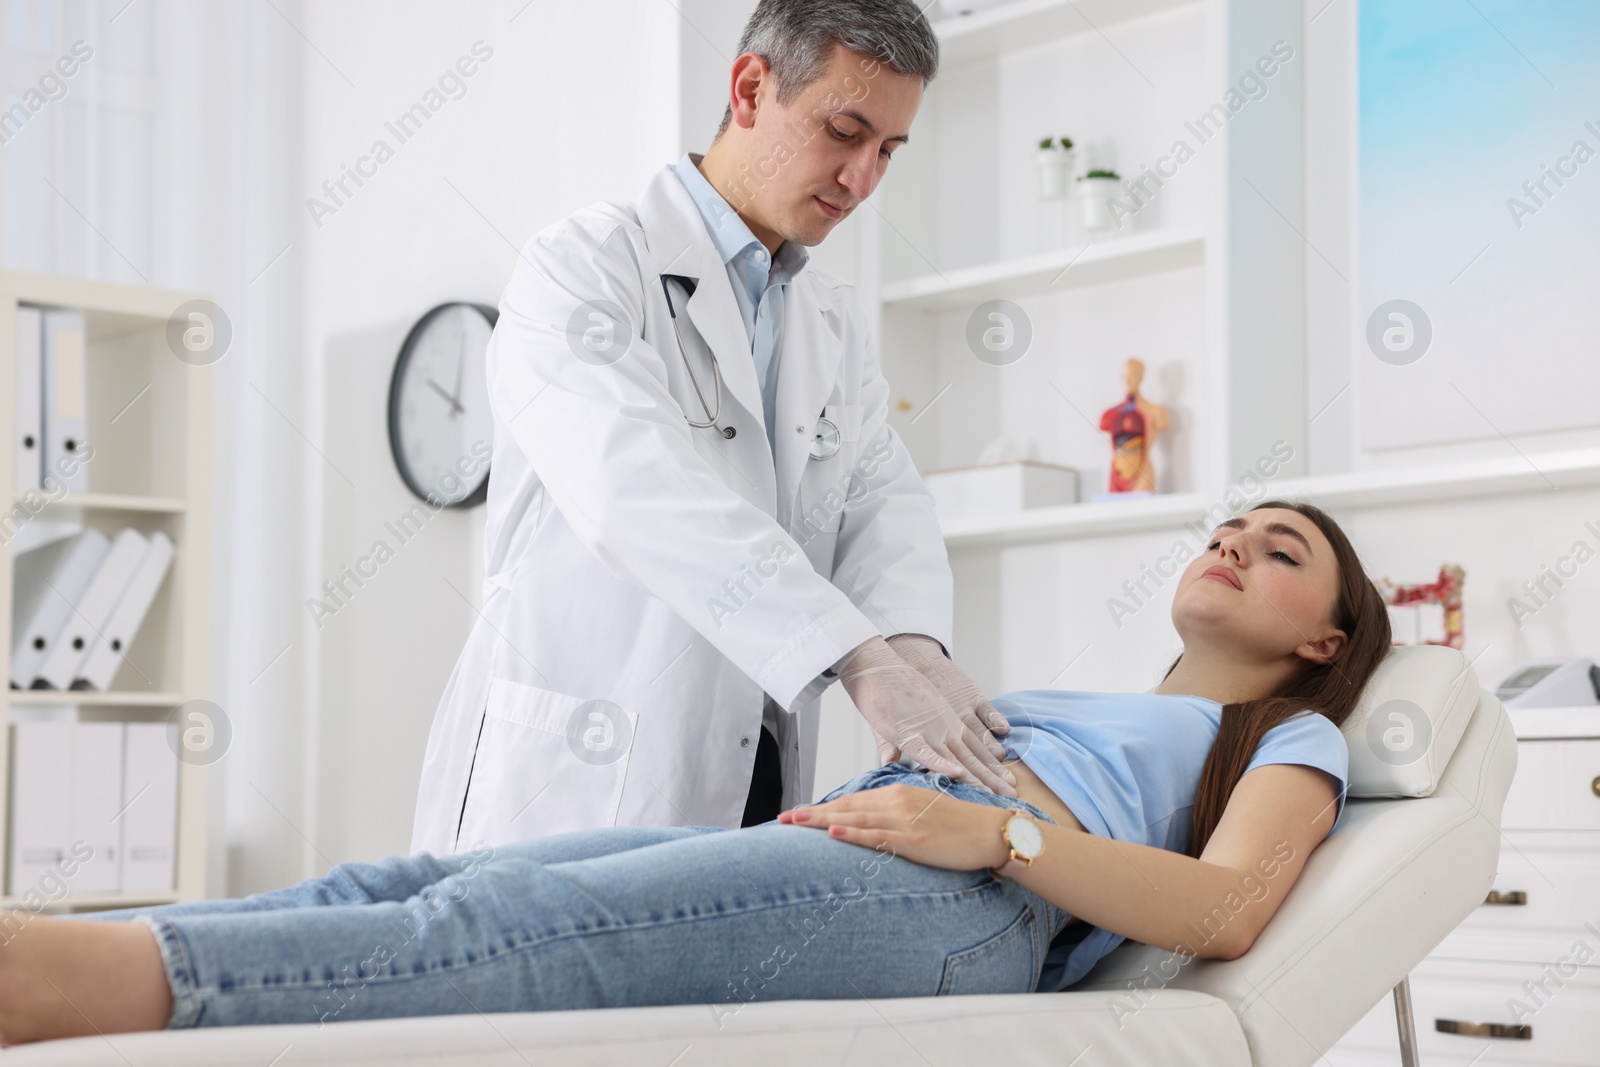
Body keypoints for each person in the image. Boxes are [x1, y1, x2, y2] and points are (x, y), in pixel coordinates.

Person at [0, 502, 1391, 1042]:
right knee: (420, 877)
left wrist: (997, 844)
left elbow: (1225, 911)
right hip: (892, 849)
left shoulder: (1285, 737)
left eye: (1279, 550)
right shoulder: (1086, 699)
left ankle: (84, 986)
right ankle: (94, 956)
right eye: (1227, 525)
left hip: (967, 899)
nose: (1233, 541)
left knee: (522, 937)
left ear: (1323, 634)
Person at [410, 0, 1018, 857]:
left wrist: (916, 650)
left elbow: (883, 502)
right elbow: (636, 489)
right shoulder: (584, 268)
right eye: (844, 132)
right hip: (580, 772)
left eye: (888, 150)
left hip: (749, 772)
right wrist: (856, 655)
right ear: (749, 88)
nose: (863, 179)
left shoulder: (831, 323)